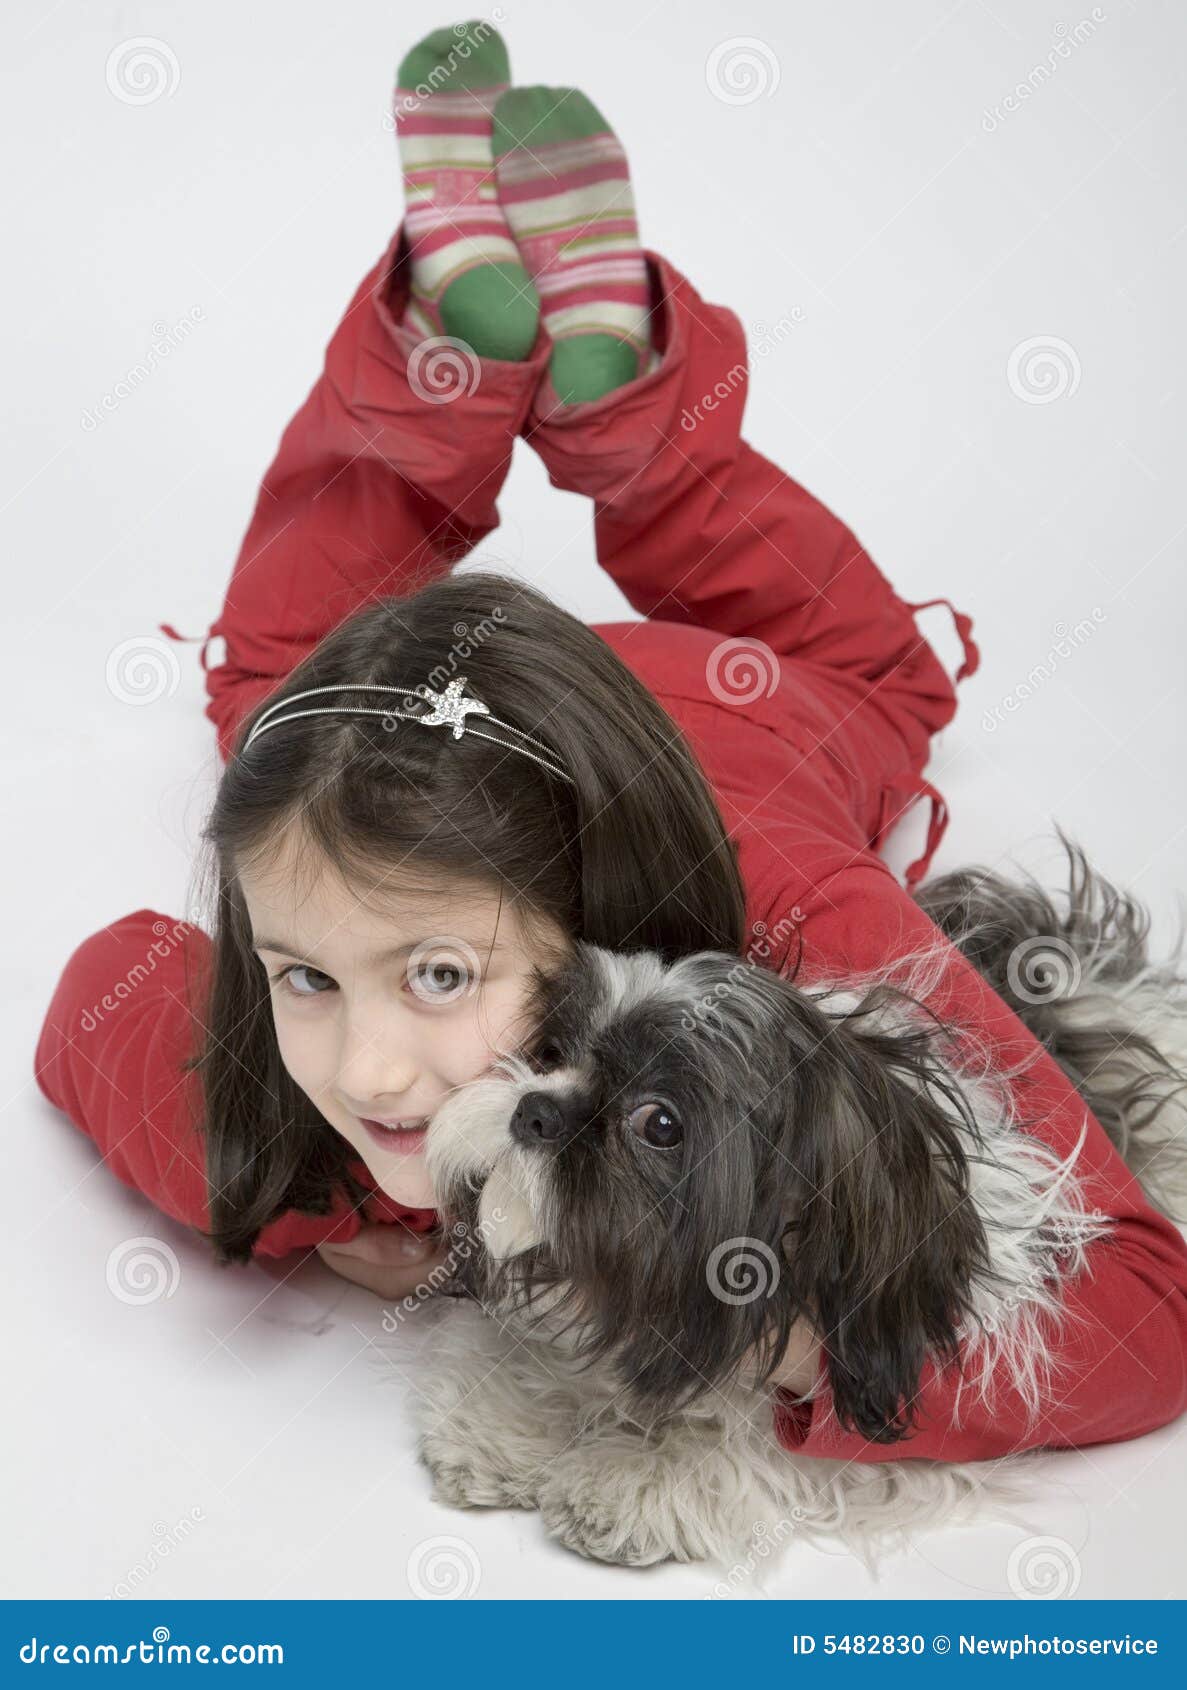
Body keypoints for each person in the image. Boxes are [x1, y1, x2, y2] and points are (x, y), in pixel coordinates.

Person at [35, 23, 1187, 1465]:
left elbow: (1149, 1304)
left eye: (441, 975)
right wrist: (309, 1206)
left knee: (882, 674)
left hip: (762, 701)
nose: (379, 1072)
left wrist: (780, 1333)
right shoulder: (322, 923)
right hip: (444, 718)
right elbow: (95, 998)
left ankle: (526, 371)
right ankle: (558, 362)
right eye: (307, 975)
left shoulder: (803, 913)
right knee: (281, 694)